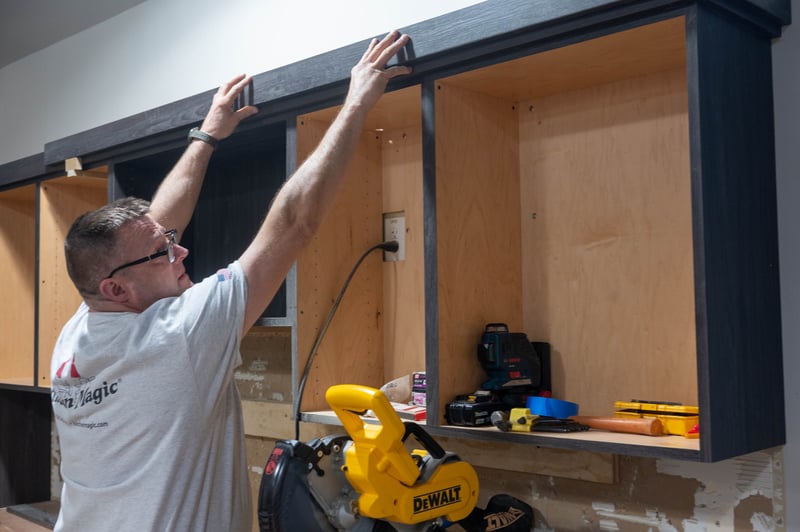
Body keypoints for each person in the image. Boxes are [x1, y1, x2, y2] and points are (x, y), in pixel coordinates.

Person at [50, 30, 411, 531]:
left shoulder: (79, 329)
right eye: (164, 253)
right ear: (116, 288)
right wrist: (354, 103)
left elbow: (150, 229)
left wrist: (206, 136)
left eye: (170, 241)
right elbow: (294, 224)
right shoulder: (178, 335)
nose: (181, 250)